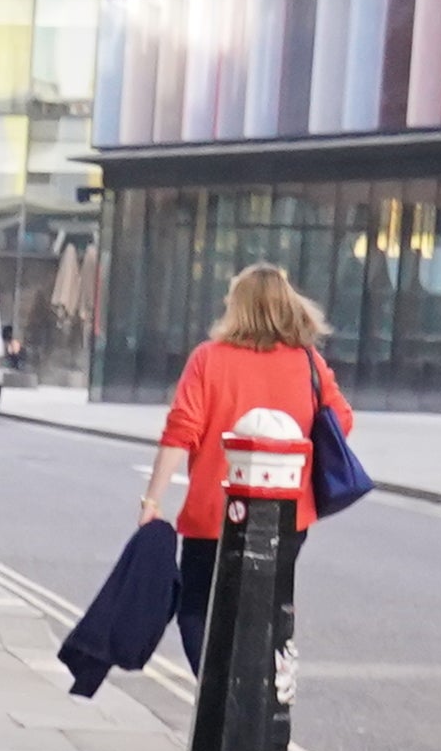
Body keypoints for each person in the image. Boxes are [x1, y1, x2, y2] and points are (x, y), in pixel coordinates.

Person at [149, 263, 352, 672]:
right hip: (287, 514)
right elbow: (341, 420)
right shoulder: (308, 361)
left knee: (196, 609)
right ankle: (255, 693)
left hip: (213, 513)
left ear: (237, 308)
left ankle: (218, 690)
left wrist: (152, 500)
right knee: (269, 609)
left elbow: (180, 430)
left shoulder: (208, 359)